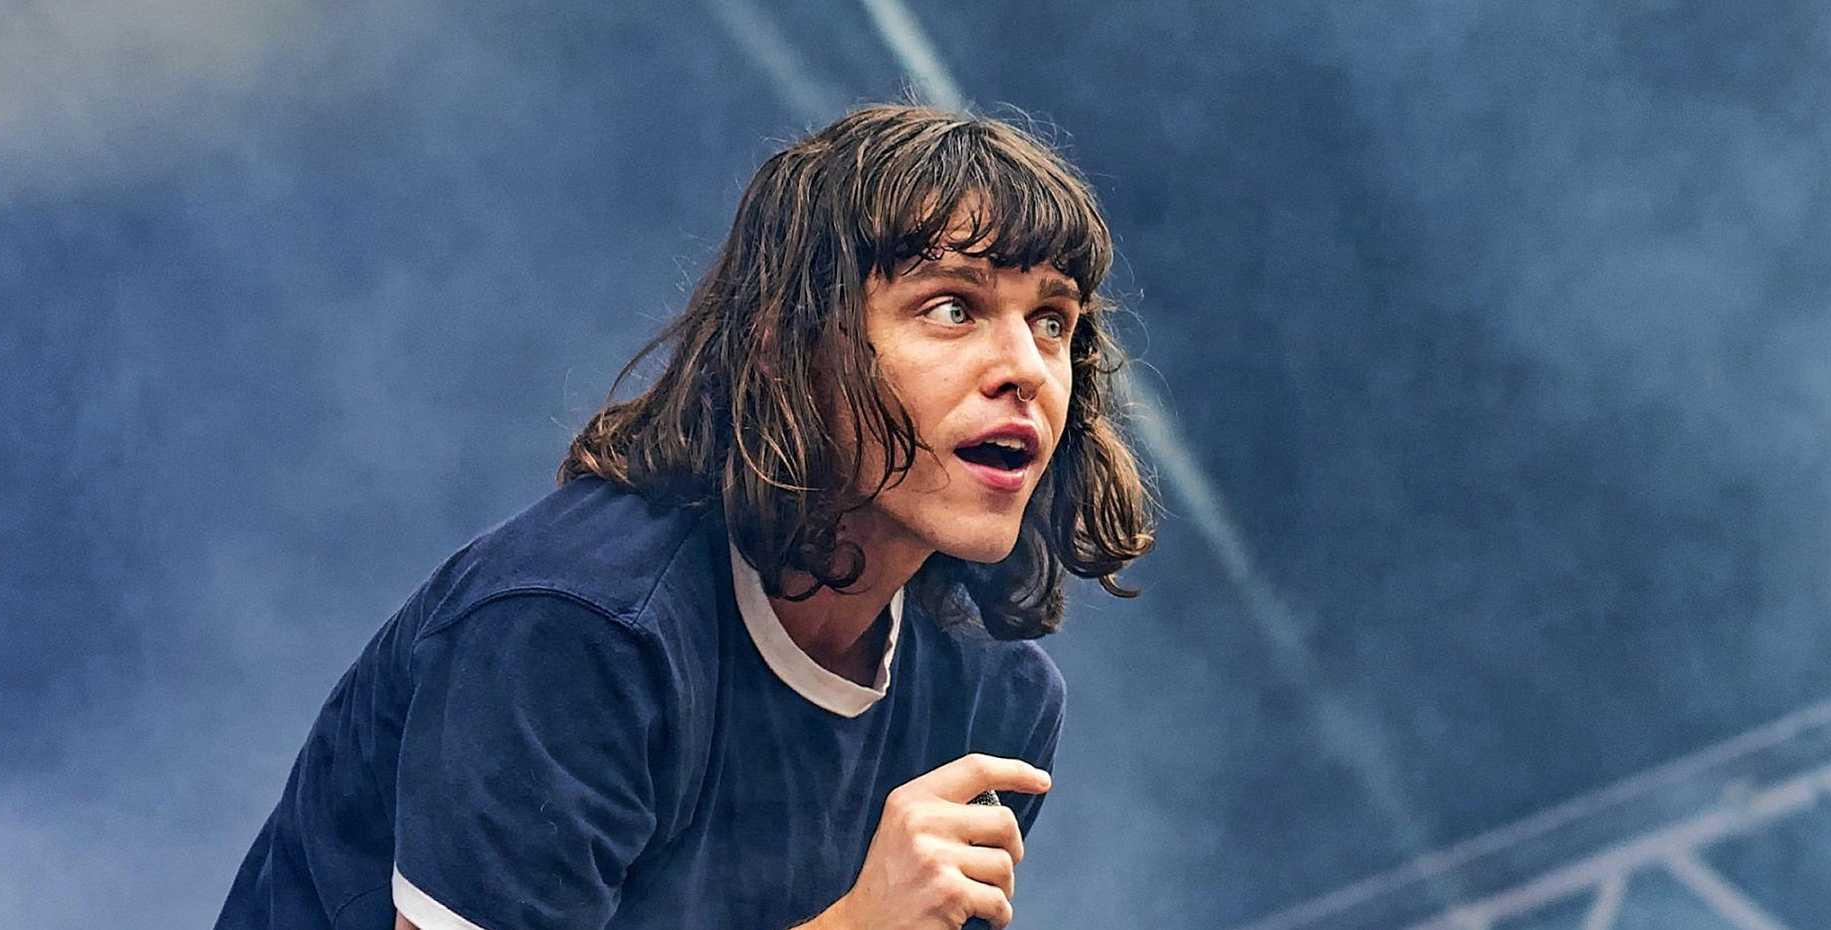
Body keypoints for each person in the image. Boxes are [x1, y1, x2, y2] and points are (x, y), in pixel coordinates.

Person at [214, 102, 1154, 930]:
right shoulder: (578, 626)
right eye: (952, 308)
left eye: (1053, 321)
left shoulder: (996, 696)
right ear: (788, 344)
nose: (1026, 369)